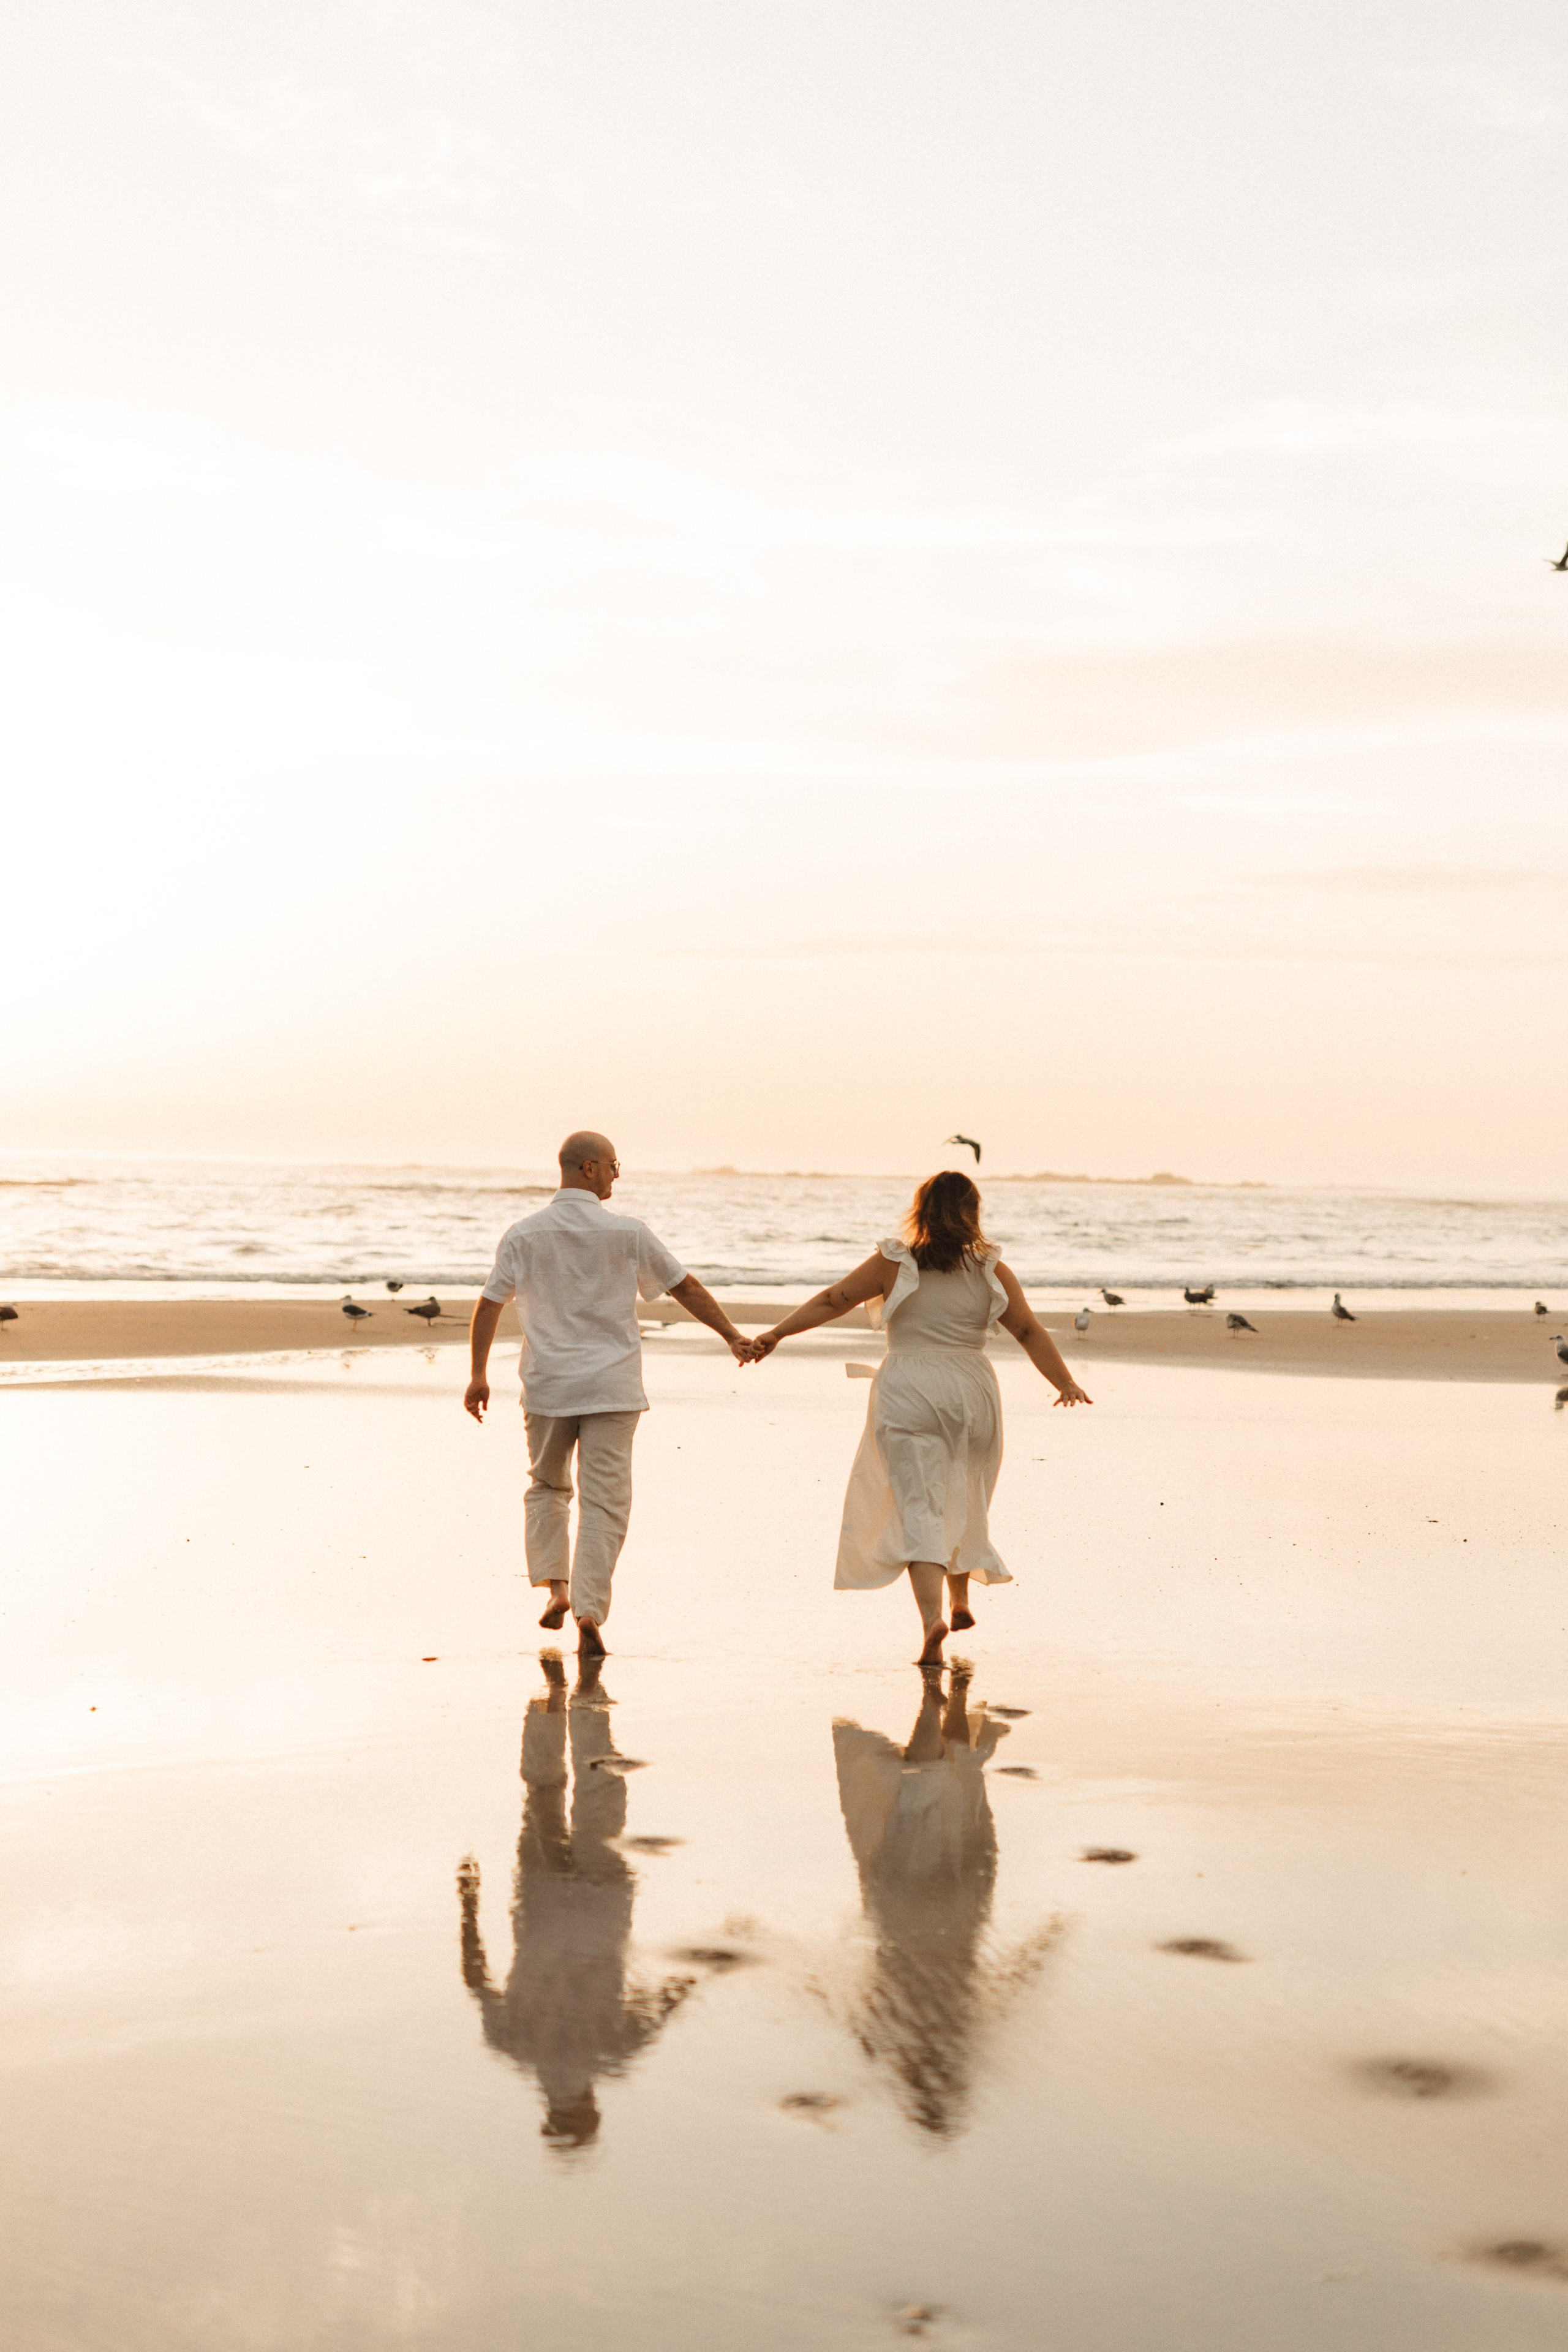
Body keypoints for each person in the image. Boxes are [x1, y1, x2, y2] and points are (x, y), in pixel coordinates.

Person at [750, 1169, 1090, 1660]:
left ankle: (932, 1620)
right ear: (973, 1212)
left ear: (922, 1211)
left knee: (920, 1506)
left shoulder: (894, 1262)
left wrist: (777, 1334)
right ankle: (960, 1601)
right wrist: (1065, 1382)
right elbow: (1029, 1331)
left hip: (910, 1388)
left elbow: (832, 1300)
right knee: (964, 1493)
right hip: (971, 1389)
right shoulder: (992, 1269)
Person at [466, 1130, 753, 1653]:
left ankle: (558, 1591)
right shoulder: (628, 1233)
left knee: (547, 1487)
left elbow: (489, 1304)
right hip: (612, 1385)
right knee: (605, 1503)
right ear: (590, 1168)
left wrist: (478, 1375)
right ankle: (589, 1610)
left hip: (549, 1385)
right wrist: (731, 1335)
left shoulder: (524, 1234)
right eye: (614, 1166)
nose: (617, 1176)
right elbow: (685, 1286)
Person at [456, 1653, 698, 2149]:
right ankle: (551, 1700)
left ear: (589, 2106)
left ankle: (587, 1703)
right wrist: (469, 1900)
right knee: (542, 1793)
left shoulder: (613, 2055)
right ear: (550, 2109)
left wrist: (701, 1971)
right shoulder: (511, 2046)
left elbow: (665, 2000)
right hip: (541, 1907)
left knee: (599, 1790)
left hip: (602, 1910)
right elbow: (475, 1976)